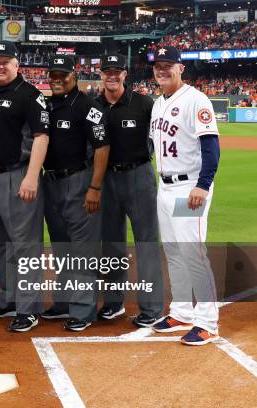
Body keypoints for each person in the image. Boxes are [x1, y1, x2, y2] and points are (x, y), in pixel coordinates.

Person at [0, 41, 49, 332]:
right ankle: (8, 297)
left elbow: (41, 136)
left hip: (19, 175)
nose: (0, 66)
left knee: (25, 245)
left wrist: (31, 176)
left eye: (6, 61)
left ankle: (28, 307)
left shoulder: (29, 94)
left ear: (17, 64)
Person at [148, 46, 221, 345]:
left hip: (188, 187)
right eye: (158, 66)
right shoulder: (157, 103)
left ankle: (207, 321)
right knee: (174, 251)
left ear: (181, 68)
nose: (162, 70)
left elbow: (211, 147)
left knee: (192, 252)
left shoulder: (196, 100)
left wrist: (202, 186)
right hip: (164, 186)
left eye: (168, 65)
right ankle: (181, 311)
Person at [40, 55, 110, 332]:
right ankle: (64, 301)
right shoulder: (46, 105)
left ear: (75, 76)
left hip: (79, 181)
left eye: (63, 75)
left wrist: (94, 187)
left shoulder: (88, 107)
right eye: (53, 75)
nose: (57, 79)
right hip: (52, 182)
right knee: (62, 248)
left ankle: (83, 309)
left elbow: (102, 148)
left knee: (82, 248)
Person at [95, 54, 164, 327]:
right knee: (111, 244)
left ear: (125, 74)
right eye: (107, 71)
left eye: (117, 71)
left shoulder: (144, 103)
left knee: (146, 241)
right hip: (106, 179)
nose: (112, 76)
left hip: (138, 175)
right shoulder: (93, 106)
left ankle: (152, 306)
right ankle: (113, 303)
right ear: (101, 74)